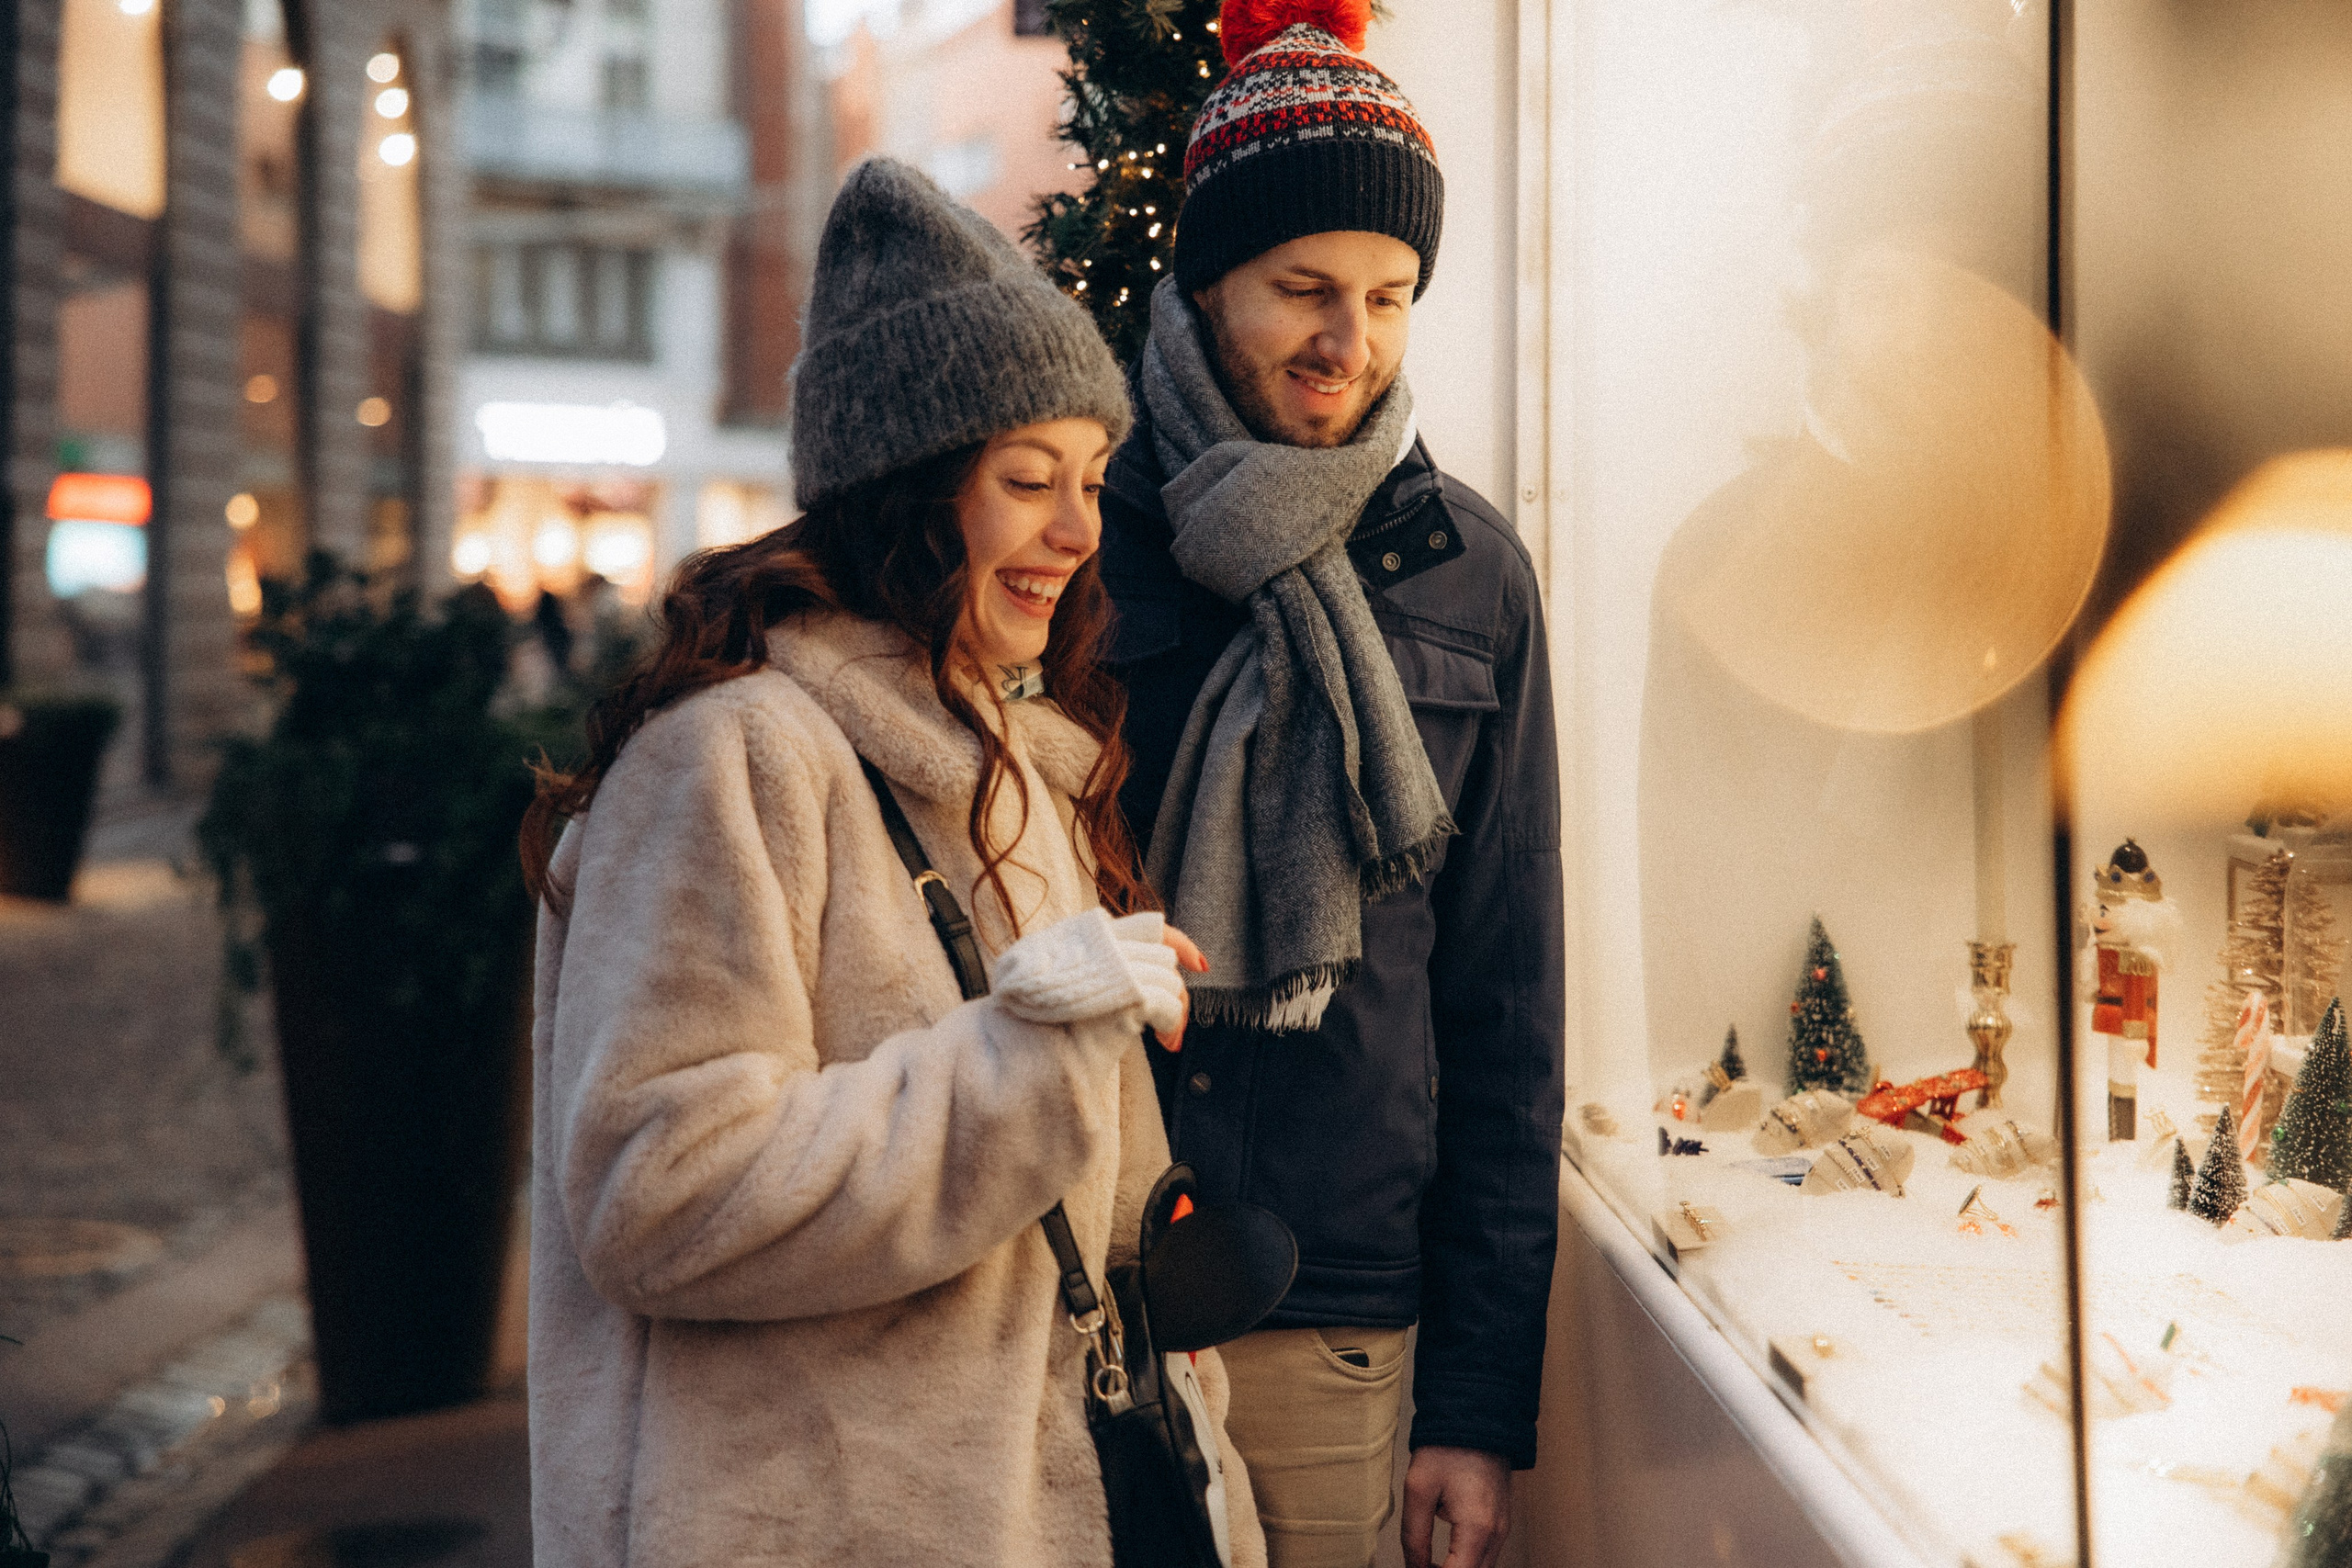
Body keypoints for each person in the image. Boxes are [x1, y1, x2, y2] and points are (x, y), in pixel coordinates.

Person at [519, 158, 1266, 1568]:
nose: (1078, 531)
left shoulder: (1004, 755)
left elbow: (1086, 1223)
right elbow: (655, 1190)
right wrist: (1024, 1062)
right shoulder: (732, 759)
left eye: (1092, 482)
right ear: (909, 490)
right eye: (1028, 480)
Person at [1098, 6, 1566, 1567]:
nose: (1344, 339)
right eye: (1302, 288)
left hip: (1335, 1317)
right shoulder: (1080, 542)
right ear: (1207, 279)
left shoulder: (1469, 576)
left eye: (1386, 296)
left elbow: (1506, 1005)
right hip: (1073, 1288)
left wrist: (1478, 1408)